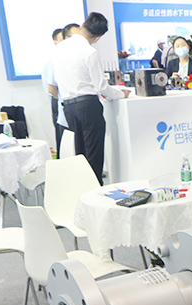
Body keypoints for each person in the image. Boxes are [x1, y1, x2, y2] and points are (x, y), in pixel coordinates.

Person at [54, 12, 130, 184]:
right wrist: (121, 94)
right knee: (93, 156)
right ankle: (96, 191)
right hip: (88, 107)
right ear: (98, 37)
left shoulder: (60, 48)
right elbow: (101, 87)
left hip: (69, 107)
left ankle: (83, 190)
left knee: (80, 154)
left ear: (83, 25)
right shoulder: (90, 52)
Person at [42, 28, 64, 155]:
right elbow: (51, 88)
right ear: (55, 42)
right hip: (57, 100)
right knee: (62, 135)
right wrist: (60, 99)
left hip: (62, 100)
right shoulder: (53, 59)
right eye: (62, 39)